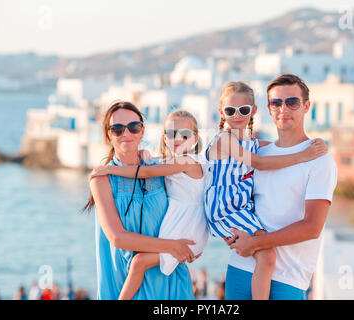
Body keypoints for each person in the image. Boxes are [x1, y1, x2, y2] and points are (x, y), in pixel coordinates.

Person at [204, 81, 328, 300]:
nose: (236, 115)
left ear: (253, 111)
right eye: (230, 110)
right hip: (228, 212)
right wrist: (303, 156)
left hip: (289, 278)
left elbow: (312, 227)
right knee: (267, 256)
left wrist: (315, 145)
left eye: (243, 110)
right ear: (221, 112)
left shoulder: (256, 145)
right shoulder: (226, 140)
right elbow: (259, 163)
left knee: (266, 257)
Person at [90, 110, 209, 300]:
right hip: (125, 276)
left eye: (133, 127)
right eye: (117, 129)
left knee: (141, 263)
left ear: (142, 131)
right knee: (138, 263)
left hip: (172, 278)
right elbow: (117, 238)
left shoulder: (163, 168)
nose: (126, 134)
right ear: (107, 134)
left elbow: (145, 172)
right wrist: (173, 246)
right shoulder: (103, 179)